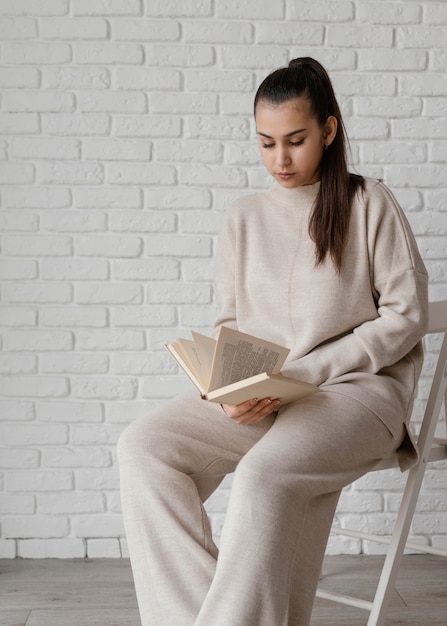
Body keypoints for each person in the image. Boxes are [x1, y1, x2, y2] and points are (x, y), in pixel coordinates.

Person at [117, 57, 428, 626]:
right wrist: (229, 386)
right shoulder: (244, 217)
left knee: (263, 474)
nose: (279, 160)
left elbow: (405, 317)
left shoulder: (368, 203)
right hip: (268, 394)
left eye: (295, 140)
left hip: (356, 396)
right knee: (144, 448)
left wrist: (307, 375)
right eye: (265, 143)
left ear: (329, 131)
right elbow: (230, 323)